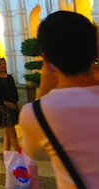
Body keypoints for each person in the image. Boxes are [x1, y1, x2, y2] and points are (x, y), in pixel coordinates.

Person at [19, 11, 99, 187]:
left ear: (45, 57)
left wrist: (44, 90)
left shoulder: (36, 113)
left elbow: (34, 152)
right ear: (96, 49)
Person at [0, 57, 20, 151]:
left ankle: (6, 154)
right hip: (3, 108)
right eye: (0, 64)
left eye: (4, 63)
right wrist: (5, 103)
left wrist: (17, 102)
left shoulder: (9, 77)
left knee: (7, 133)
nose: (3, 66)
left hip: (13, 106)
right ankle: (19, 152)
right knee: (12, 133)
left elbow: (14, 91)